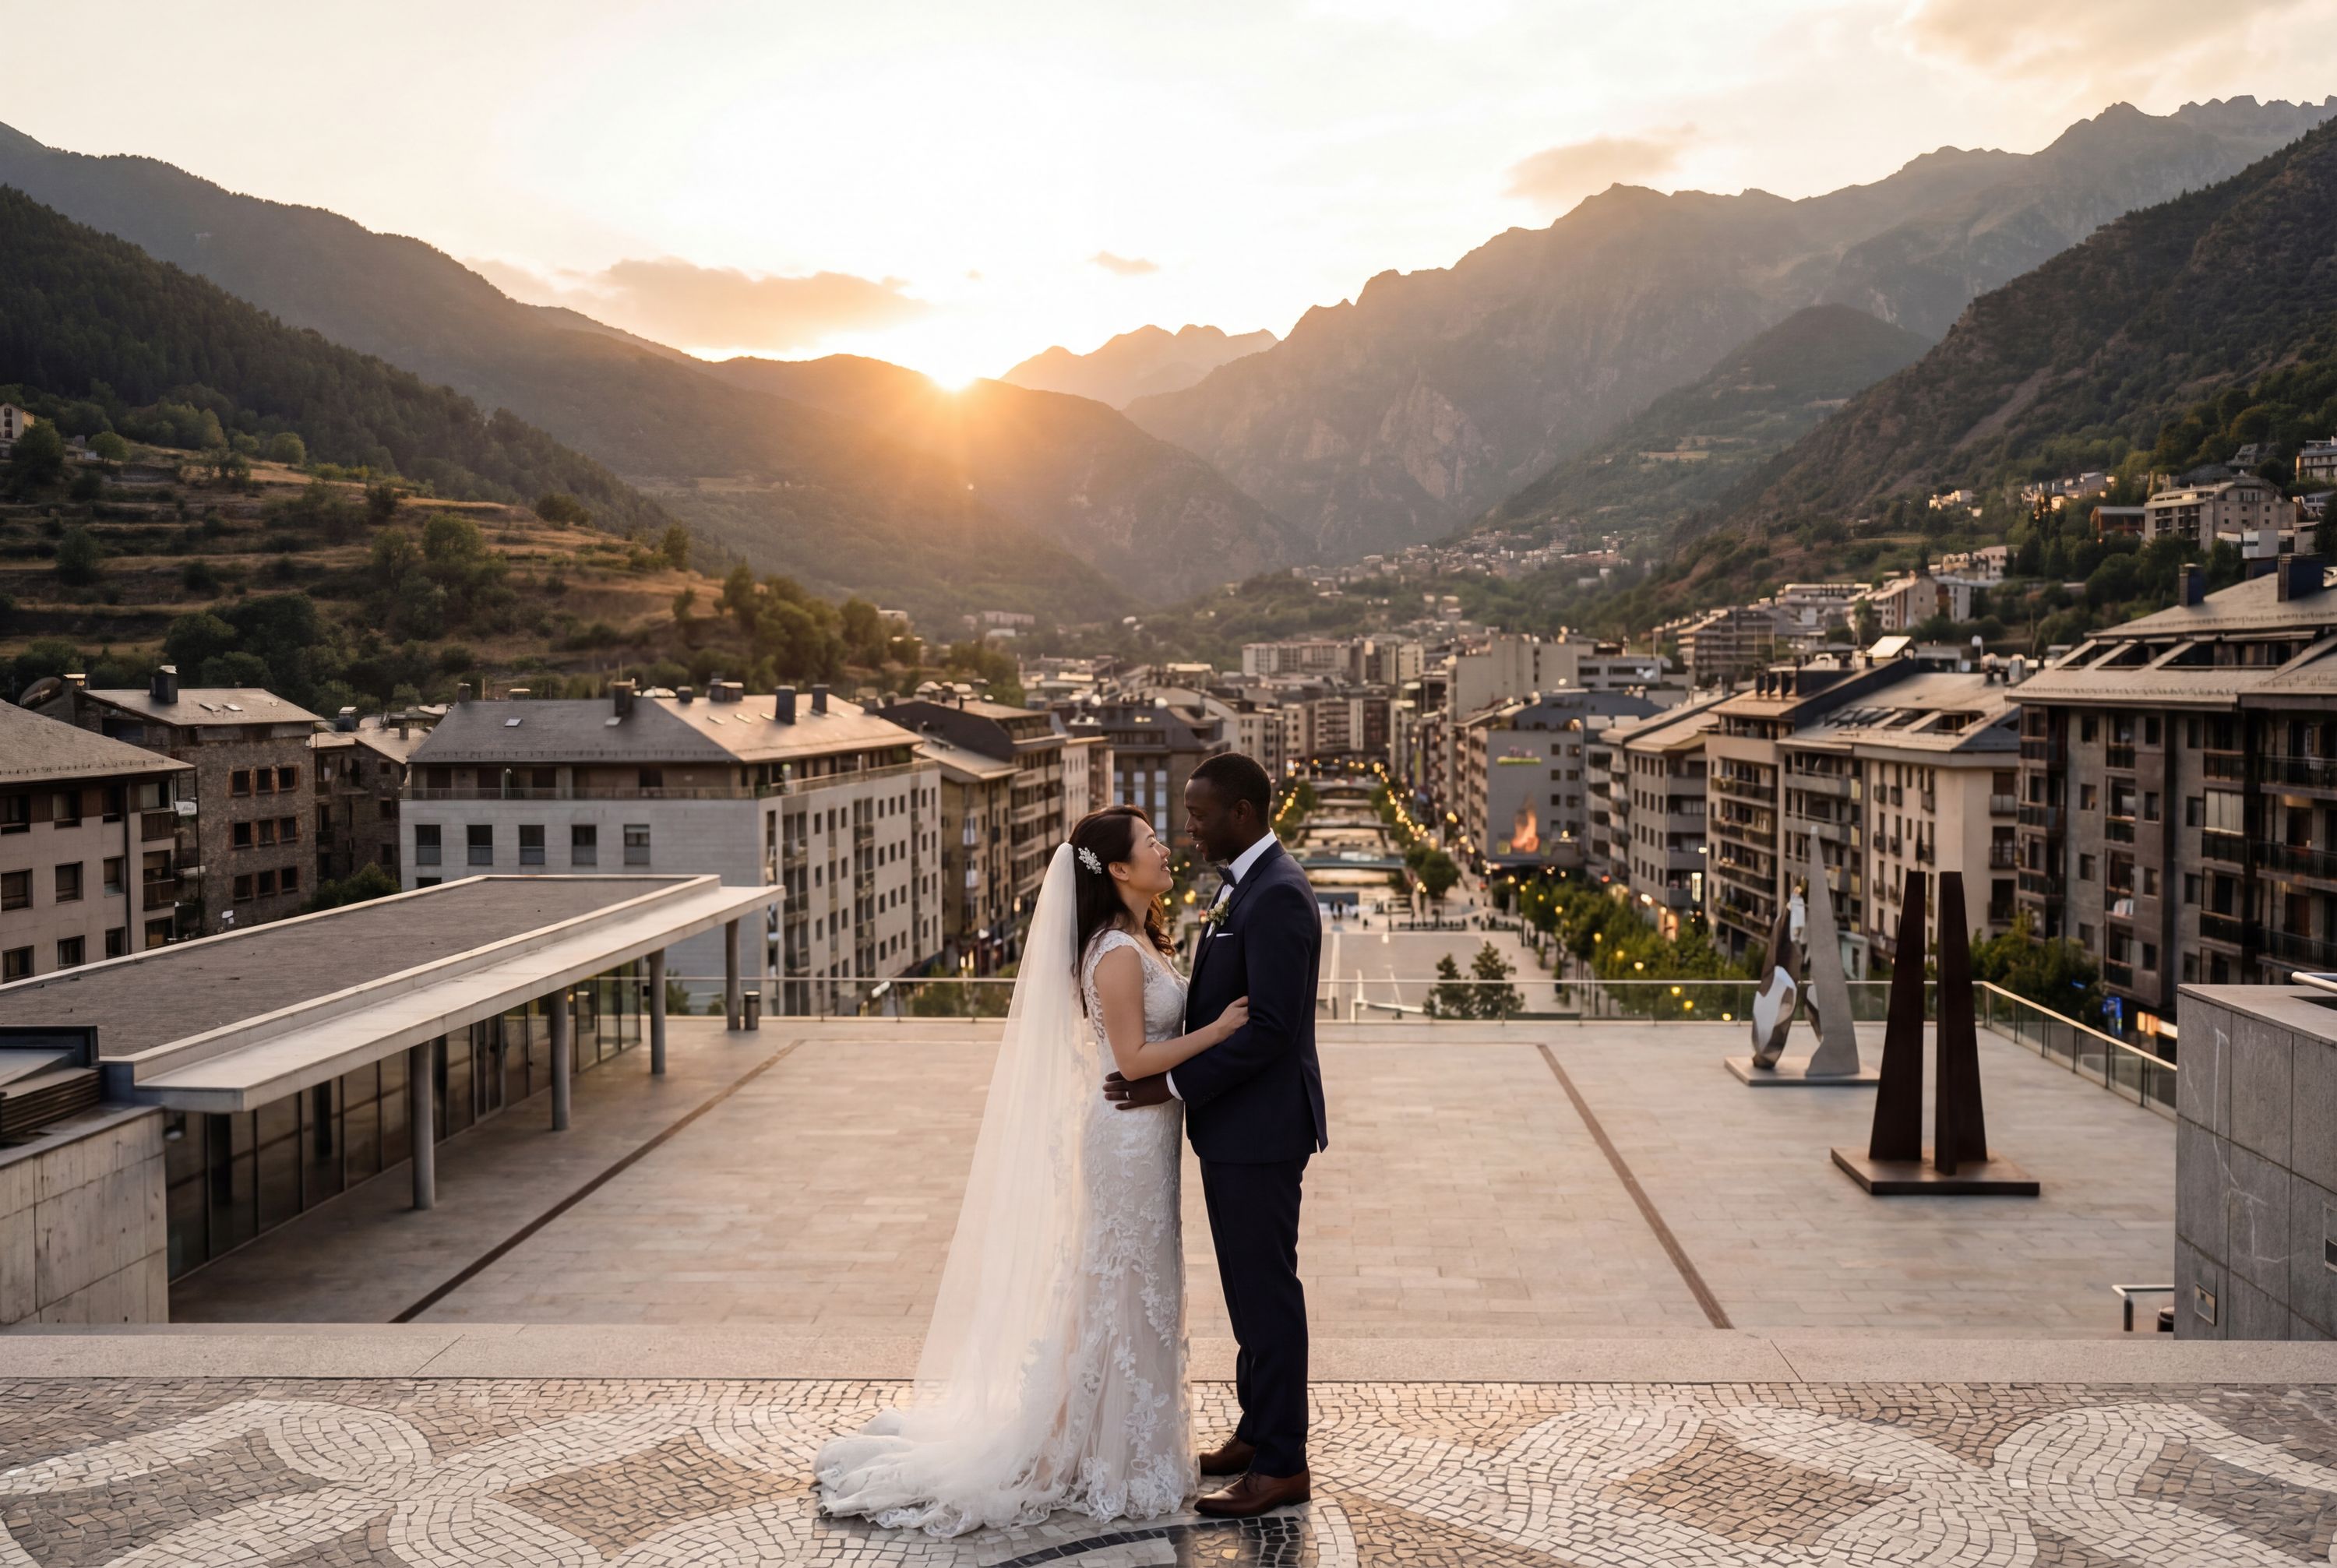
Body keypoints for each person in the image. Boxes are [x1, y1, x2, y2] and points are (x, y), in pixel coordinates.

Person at [814, 805, 1245, 1538]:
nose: (1165, 849)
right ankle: (1094, 1455)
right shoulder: (1112, 949)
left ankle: (1126, 1444)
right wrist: (1218, 1030)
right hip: (1127, 1139)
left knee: (1133, 1287)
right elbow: (1134, 1060)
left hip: (1149, 1137)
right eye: (1150, 843)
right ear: (1116, 868)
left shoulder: (1139, 935)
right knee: (1121, 1284)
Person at [1105, 752, 1329, 1518]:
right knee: (1247, 1292)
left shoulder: (1279, 899)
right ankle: (1256, 1429)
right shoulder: (1244, 888)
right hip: (1237, 1130)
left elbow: (1268, 1030)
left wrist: (1166, 1083)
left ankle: (1282, 1463)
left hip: (1263, 1131)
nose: (1189, 827)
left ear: (1241, 812)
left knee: (1268, 1294)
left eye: (1199, 815)